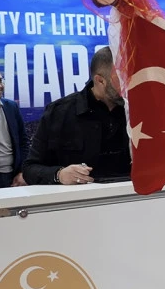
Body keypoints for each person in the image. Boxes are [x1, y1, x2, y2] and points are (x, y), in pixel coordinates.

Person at [23, 46, 131, 185]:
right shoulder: (60, 112)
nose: (127, 85)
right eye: (121, 80)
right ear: (100, 80)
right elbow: (30, 169)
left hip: (136, 198)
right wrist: (59, 174)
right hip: (79, 201)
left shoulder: (139, 110)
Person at [0, 65, 27, 188]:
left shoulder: (11, 106)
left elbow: (23, 142)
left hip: (14, 176)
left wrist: (23, 172)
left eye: (0, 81)